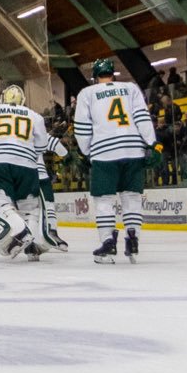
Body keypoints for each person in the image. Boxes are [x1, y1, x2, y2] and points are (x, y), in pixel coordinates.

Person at [73, 60, 160, 265]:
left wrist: (86, 152)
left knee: (103, 199)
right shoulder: (130, 88)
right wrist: (152, 143)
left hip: (104, 152)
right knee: (131, 197)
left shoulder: (87, 93)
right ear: (113, 74)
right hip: (133, 149)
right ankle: (133, 239)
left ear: (95, 76)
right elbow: (142, 117)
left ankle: (108, 243)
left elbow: (82, 127)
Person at [0, 86, 54, 260]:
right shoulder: (35, 116)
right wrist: (28, 155)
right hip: (27, 164)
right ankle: (32, 247)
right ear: (22, 100)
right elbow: (41, 145)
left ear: (2, 99)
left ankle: (19, 230)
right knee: (30, 206)